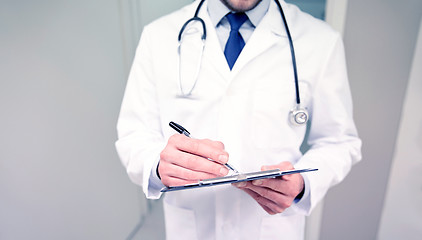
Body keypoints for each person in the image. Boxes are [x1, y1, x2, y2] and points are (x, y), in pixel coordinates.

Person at [115, 0, 362, 239]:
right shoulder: (158, 36)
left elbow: (339, 142)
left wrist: (303, 183)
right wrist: (159, 166)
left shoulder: (320, 40)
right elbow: (134, 136)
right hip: (192, 228)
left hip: (272, 229)